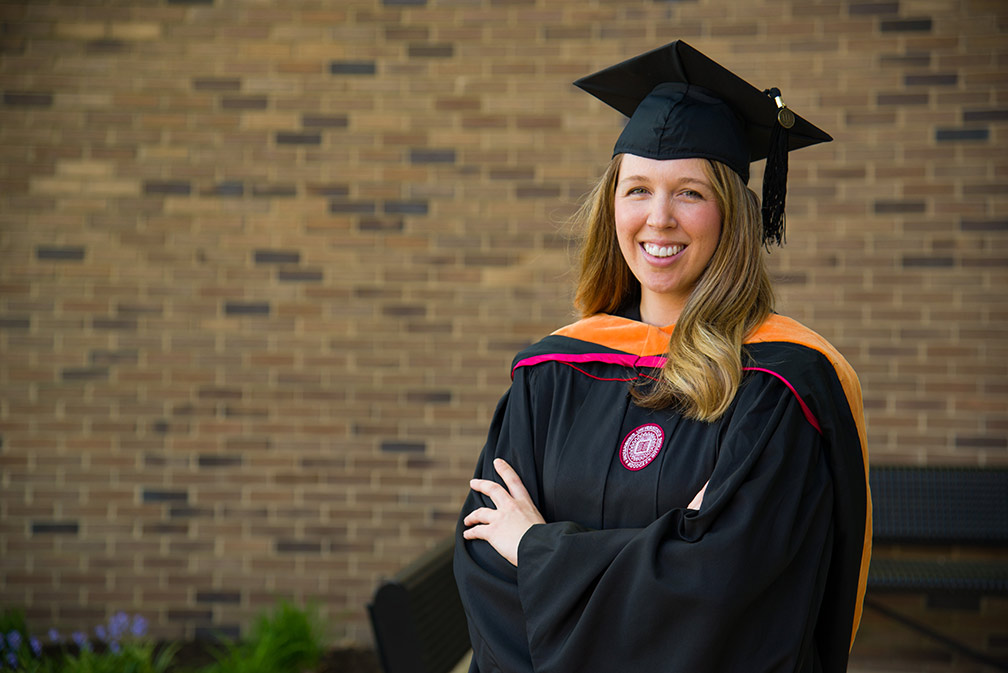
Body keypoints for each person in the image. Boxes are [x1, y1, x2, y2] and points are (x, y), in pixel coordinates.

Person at [453, 40, 871, 673]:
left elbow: (728, 593)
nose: (659, 218)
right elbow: (486, 566)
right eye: (638, 189)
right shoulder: (552, 375)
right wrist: (671, 545)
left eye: (690, 194)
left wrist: (536, 547)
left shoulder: (778, 386)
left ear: (733, 215)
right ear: (610, 206)